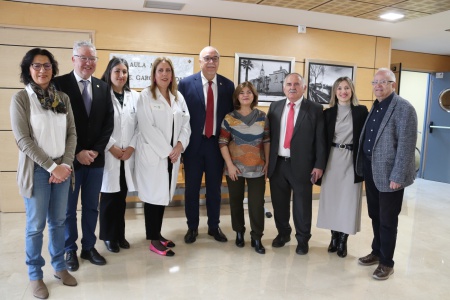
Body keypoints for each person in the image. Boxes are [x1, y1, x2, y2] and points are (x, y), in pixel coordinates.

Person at [10, 48, 78, 299]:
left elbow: (72, 133)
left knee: (59, 222)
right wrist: (53, 167)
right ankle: (35, 275)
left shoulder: (63, 98)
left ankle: (59, 267)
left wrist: (66, 165)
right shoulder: (21, 99)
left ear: (53, 68)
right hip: (38, 170)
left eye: (47, 65)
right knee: (36, 226)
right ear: (28, 70)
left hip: (63, 168)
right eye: (36, 66)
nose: (42, 70)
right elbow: (23, 140)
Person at [53, 41, 114, 271]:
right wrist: (76, 153)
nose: (88, 63)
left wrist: (96, 150)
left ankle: (89, 246)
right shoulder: (60, 84)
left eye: (92, 59)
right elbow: (58, 123)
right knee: (68, 208)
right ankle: (70, 249)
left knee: (91, 206)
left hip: (95, 159)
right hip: (69, 160)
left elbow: (108, 123)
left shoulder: (103, 87)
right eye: (83, 58)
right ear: (73, 59)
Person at [356, 68, 417, 280]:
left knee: (388, 220)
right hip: (372, 171)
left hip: (390, 175)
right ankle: (376, 251)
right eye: (375, 82)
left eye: (383, 82)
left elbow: (406, 146)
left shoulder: (404, 108)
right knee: (375, 215)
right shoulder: (376, 106)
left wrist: (398, 176)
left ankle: (386, 262)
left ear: (393, 84)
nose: (378, 86)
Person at [135, 57, 191, 257]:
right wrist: (169, 151)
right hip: (156, 156)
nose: (165, 74)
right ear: (154, 74)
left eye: (168, 70)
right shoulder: (145, 97)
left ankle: (157, 234)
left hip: (172, 156)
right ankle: (153, 240)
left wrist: (179, 145)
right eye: (160, 70)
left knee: (162, 196)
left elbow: (186, 124)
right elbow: (146, 128)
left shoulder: (178, 97)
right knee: (153, 197)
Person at [178, 46, 234, 244]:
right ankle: (192, 227)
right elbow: (180, 117)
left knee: (214, 190)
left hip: (216, 146)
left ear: (219, 62)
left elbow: (231, 119)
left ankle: (213, 226)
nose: (211, 62)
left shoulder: (228, 86)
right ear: (199, 61)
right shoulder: (185, 84)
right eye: (207, 58)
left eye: (215, 58)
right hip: (193, 146)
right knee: (191, 189)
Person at [266, 73, 326, 255]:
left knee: (302, 205)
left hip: (302, 165)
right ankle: (283, 234)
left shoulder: (315, 109)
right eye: (289, 84)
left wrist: (319, 165)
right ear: (284, 87)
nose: (292, 87)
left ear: (304, 87)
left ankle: (302, 239)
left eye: (297, 84)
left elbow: (320, 140)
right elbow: (269, 137)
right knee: (279, 204)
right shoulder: (275, 107)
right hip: (278, 165)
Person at [316, 77, 368, 258]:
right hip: (332, 160)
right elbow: (321, 141)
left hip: (352, 161)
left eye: (346, 88)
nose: (343, 91)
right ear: (334, 92)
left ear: (352, 91)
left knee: (348, 201)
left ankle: (343, 240)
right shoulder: (328, 113)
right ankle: (334, 237)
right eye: (339, 88)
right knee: (332, 201)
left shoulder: (361, 111)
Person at [219, 82, 270, 254]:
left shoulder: (263, 116)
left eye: (249, 92)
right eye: (242, 93)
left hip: (258, 168)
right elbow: (222, 142)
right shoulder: (229, 117)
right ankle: (239, 232)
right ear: (237, 97)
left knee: (256, 204)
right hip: (235, 169)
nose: (245, 95)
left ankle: (257, 237)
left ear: (254, 96)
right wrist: (230, 166)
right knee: (235, 202)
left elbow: (267, 141)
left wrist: (268, 163)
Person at [99, 57, 139, 253]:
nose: (121, 75)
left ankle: (120, 234)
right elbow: (97, 126)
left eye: (124, 71)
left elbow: (140, 126)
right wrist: (112, 147)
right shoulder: (102, 95)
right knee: (108, 198)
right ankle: (108, 237)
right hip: (109, 155)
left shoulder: (134, 97)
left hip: (127, 156)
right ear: (109, 73)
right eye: (117, 71)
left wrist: (131, 147)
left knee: (121, 198)